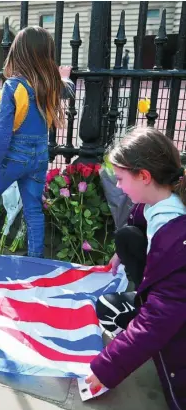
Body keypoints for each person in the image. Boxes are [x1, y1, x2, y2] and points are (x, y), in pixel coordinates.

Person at [86, 127, 186, 410]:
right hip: (170, 302)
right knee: (108, 305)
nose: (117, 187)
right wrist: (119, 255)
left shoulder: (177, 239)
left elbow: (158, 318)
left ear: (144, 176)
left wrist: (106, 368)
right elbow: (137, 223)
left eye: (120, 179)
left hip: (176, 326)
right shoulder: (157, 202)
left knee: (138, 321)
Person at [0, 26, 73, 258]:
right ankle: (35, 255)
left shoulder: (13, 87)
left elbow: (2, 135)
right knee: (33, 207)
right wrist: (64, 78)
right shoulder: (51, 86)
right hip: (40, 156)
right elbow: (68, 91)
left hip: (13, 156)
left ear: (17, 53)